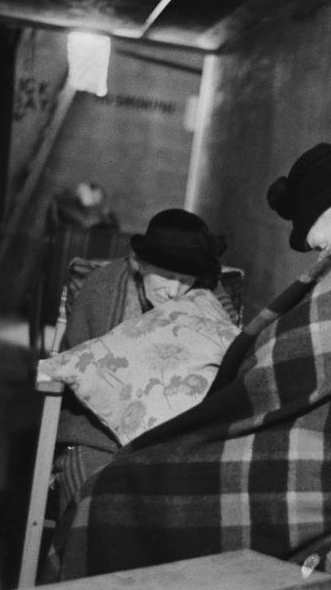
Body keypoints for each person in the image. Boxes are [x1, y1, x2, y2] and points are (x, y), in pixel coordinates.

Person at [51, 143, 331, 579]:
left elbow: (277, 371)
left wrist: (231, 388)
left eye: (322, 245)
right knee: (144, 474)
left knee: (119, 491)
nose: (323, 258)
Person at [52, 208, 230, 513]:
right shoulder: (103, 288)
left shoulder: (206, 296)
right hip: (98, 433)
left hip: (175, 440)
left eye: (184, 279)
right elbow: (79, 360)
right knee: (101, 504)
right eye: (165, 276)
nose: (174, 291)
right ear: (139, 263)